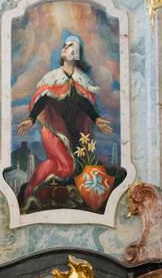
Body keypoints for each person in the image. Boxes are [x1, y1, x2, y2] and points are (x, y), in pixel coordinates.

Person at [16, 35, 112, 206]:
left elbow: (84, 102)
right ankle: (31, 188)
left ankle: (53, 193)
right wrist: (31, 119)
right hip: (54, 129)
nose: (66, 48)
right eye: (65, 46)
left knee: (74, 167)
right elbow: (43, 100)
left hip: (75, 131)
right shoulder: (53, 76)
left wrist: (96, 119)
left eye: (70, 46)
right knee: (64, 165)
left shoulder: (81, 79)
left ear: (77, 53)